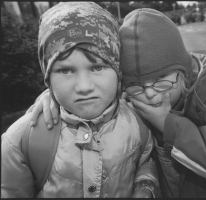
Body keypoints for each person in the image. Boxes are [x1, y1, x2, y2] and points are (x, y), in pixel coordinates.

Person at [27, 8, 206, 198]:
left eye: (162, 81)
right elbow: (93, 92)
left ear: (182, 71)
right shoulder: (128, 100)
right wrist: (54, 96)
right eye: (138, 85)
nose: (151, 95)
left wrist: (168, 124)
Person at [1, 3, 159, 198]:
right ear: (48, 78)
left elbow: (145, 162)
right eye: (65, 70)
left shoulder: (139, 122)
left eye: (97, 67)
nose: (84, 87)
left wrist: (145, 187)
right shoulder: (20, 141)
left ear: (118, 72)